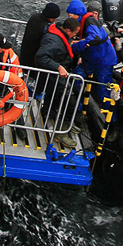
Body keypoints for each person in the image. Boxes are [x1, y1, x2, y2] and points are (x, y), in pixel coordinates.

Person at [34, 17, 81, 148]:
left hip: (57, 76)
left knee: (53, 96)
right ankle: (61, 131)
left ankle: (48, 112)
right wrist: (58, 67)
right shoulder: (54, 41)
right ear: (67, 30)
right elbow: (41, 57)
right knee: (70, 102)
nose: (74, 36)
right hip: (54, 75)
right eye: (74, 34)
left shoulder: (60, 32)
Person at [71, 0, 118, 101]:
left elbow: (95, 37)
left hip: (104, 61)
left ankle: (109, 114)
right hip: (91, 59)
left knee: (104, 91)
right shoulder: (82, 22)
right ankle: (79, 106)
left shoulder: (89, 21)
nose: (70, 17)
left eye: (71, 15)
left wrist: (78, 46)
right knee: (75, 78)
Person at [19, 2, 60, 68]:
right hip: (33, 59)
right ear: (52, 18)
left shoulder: (35, 17)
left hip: (24, 53)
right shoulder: (45, 27)